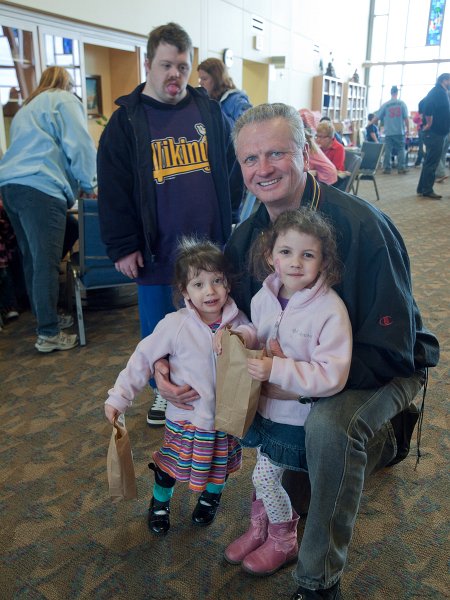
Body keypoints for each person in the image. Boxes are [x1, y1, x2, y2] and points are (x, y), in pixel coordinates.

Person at [154, 103, 439, 600]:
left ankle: (317, 578)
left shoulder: (362, 225)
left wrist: (295, 381)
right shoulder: (247, 239)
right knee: (235, 398)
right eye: (250, 159)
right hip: (295, 369)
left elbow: (394, 346)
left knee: (329, 427)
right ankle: (279, 512)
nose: (263, 169)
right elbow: (211, 313)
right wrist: (164, 364)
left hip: (381, 365)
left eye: (277, 153)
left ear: (306, 153)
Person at [97, 23, 239, 428]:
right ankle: (164, 393)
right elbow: (114, 188)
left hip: (209, 252)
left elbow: (230, 167)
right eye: (165, 65)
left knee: (215, 321)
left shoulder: (208, 110)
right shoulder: (126, 121)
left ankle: (211, 388)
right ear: (147, 63)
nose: (174, 74)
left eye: (182, 65)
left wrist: (227, 217)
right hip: (158, 252)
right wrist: (123, 244)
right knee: (162, 332)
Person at [223, 209, 352, 577]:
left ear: (323, 260)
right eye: (286, 253)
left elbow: (332, 375)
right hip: (263, 408)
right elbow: (258, 328)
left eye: (307, 255)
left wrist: (276, 369)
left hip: (295, 416)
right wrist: (244, 335)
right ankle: (260, 529)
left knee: (264, 477)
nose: (295, 263)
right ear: (270, 255)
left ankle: (283, 538)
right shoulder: (267, 295)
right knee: (262, 473)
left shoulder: (329, 310)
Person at [104, 237, 256, 536]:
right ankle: (160, 502)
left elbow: (255, 334)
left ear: (228, 284)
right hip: (186, 419)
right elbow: (142, 358)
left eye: (217, 281)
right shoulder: (175, 324)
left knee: (219, 466)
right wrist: (119, 397)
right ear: (184, 290)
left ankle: (211, 497)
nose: (210, 291)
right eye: (198, 284)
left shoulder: (238, 319)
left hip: (225, 419)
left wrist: (241, 335)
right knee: (170, 468)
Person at [0, 66, 97, 352]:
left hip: (11, 187)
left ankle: (47, 317)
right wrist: (89, 183)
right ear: (66, 83)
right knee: (45, 261)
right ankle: (48, 332)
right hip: (40, 187)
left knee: (34, 258)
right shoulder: (63, 100)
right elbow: (79, 145)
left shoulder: (26, 109)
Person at [416, 73, 450, 199]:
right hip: (434, 133)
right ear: (444, 80)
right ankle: (427, 189)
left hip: (438, 133)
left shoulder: (440, 92)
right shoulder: (437, 92)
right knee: (432, 163)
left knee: (429, 162)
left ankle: (422, 188)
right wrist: (429, 122)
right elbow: (426, 105)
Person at [197, 57, 252, 125]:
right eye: (200, 79)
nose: (200, 83)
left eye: (204, 79)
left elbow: (250, 125)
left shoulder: (237, 100)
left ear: (216, 79)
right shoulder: (209, 101)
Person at [375, 85, 409, 174]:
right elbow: (406, 118)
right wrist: (407, 129)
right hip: (399, 131)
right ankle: (401, 168)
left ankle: (387, 168)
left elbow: (377, 117)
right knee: (401, 149)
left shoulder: (385, 105)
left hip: (389, 132)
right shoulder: (402, 103)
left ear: (391, 93)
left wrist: (370, 123)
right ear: (397, 93)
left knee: (388, 150)